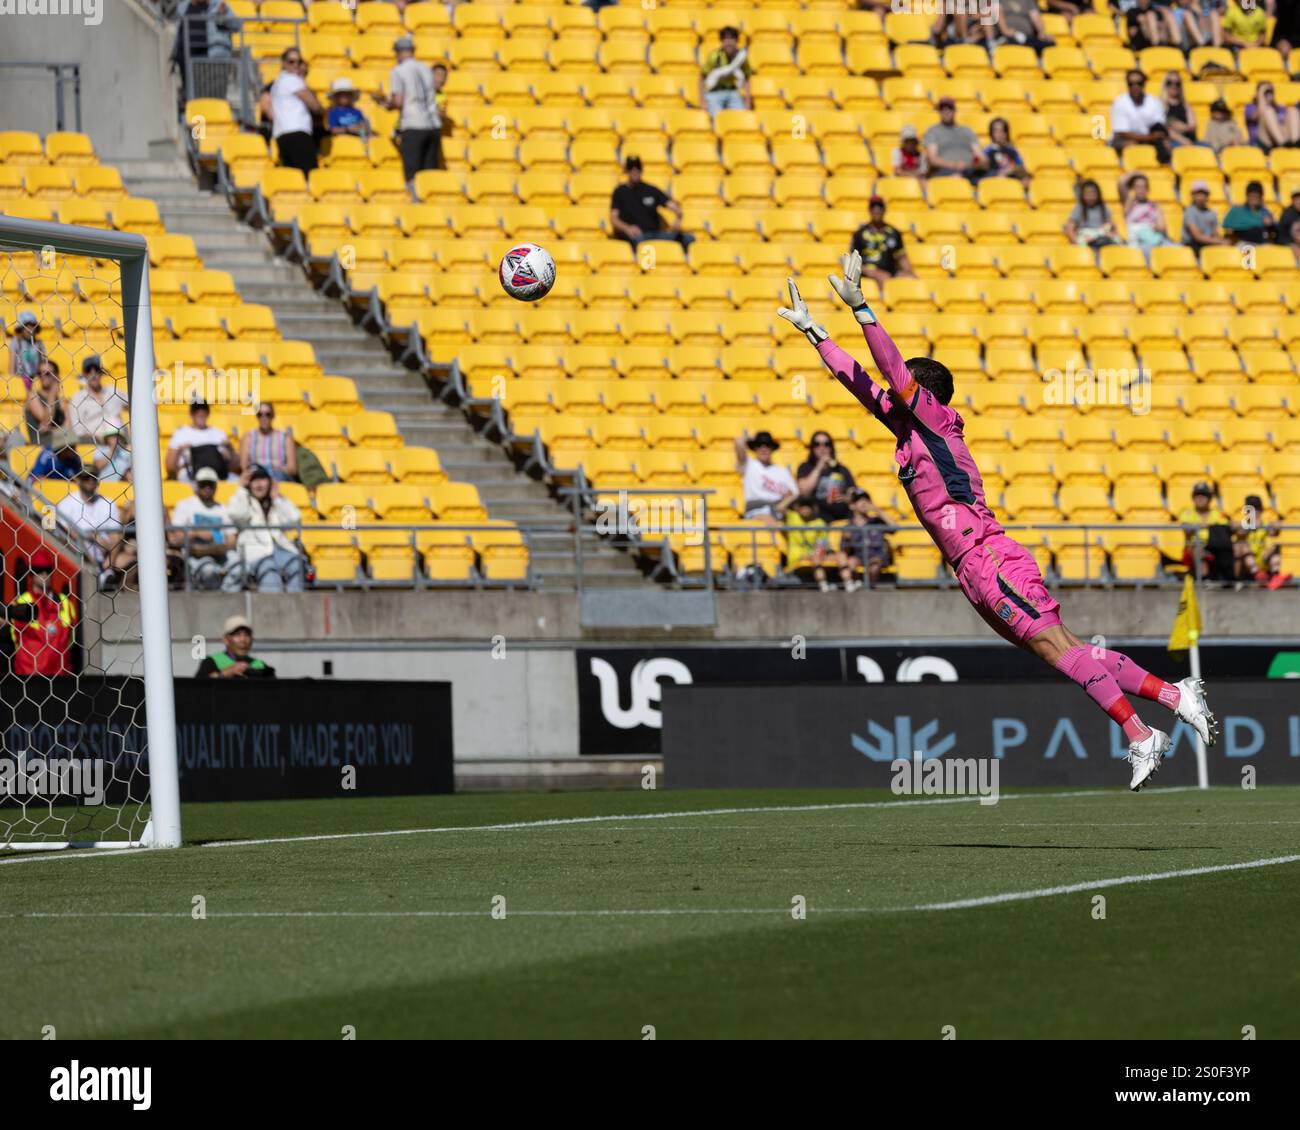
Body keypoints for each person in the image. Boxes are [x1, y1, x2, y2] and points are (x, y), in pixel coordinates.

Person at [776, 252, 1217, 790]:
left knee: (1058, 652)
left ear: (924, 392)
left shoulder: (936, 419)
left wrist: (863, 309)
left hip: (986, 554)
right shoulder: (911, 431)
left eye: (904, 387)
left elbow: (888, 373)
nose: (892, 393)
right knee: (1068, 648)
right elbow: (863, 385)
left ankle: (1140, 735)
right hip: (973, 565)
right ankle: (1176, 696)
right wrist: (816, 332)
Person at [227, 464, 306, 592]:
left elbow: (295, 520)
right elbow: (236, 514)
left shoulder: (277, 501)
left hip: (282, 550)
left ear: (270, 482)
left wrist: (277, 498)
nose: (258, 484)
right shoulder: (242, 500)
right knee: (269, 572)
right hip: (257, 553)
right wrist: (241, 489)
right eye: (254, 480)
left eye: (262, 479)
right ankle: (272, 611)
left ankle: (294, 609)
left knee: (297, 566)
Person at [376, 36, 441, 190]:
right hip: (433, 124)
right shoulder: (426, 68)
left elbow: (398, 101)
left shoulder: (398, 71)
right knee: (429, 173)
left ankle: (415, 204)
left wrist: (385, 103)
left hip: (413, 124)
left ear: (398, 53)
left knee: (412, 172)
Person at [56, 468, 136, 590]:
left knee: (134, 560)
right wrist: (90, 537)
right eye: (86, 478)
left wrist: (108, 559)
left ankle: (106, 572)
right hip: (78, 550)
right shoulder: (66, 503)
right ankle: (101, 573)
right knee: (79, 541)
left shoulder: (107, 502)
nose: (90, 481)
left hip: (106, 552)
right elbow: (64, 531)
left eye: (93, 478)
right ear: (78, 481)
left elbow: (116, 535)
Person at [169, 466, 242, 592]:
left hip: (220, 553)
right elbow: (176, 538)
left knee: (240, 567)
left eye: (211, 484)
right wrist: (199, 534)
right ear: (196, 485)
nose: (207, 487)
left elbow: (231, 541)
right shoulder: (185, 505)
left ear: (216, 486)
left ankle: (226, 596)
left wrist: (217, 541)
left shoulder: (223, 509)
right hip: (195, 555)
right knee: (209, 570)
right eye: (203, 484)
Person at [5, 548, 75, 677]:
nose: (44, 574)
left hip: (61, 676)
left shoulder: (64, 602)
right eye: (38, 570)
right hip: (29, 676)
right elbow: (13, 635)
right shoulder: (21, 602)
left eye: (47, 570)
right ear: (31, 573)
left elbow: (71, 640)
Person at [610, 156, 694, 251]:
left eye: (638, 168)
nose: (634, 171)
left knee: (688, 238)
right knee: (641, 242)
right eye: (631, 168)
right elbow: (614, 218)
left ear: (641, 170)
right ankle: (649, 265)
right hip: (637, 235)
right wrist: (627, 228)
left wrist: (678, 218)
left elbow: (674, 206)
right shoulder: (619, 192)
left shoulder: (651, 190)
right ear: (626, 171)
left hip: (655, 234)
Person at [171, 0, 239, 100]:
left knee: (212, 100)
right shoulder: (183, 7)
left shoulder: (219, 5)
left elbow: (236, 26)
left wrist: (223, 15)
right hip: (187, 63)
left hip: (212, 63)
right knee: (193, 102)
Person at [269, 47, 321, 174]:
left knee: (294, 178)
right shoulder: (292, 80)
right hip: (297, 134)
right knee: (309, 175)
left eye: (299, 61)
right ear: (284, 63)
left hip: (282, 135)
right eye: (291, 61)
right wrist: (325, 111)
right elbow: (315, 105)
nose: (296, 65)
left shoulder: (277, 82)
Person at [849, 196, 916, 292]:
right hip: (868, 273)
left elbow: (901, 257)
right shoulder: (860, 234)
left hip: (890, 272)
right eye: (873, 207)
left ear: (884, 210)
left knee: (910, 279)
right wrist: (871, 272)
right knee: (882, 279)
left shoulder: (893, 232)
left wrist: (910, 273)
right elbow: (852, 261)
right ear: (869, 210)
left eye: (879, 207)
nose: (877, 210)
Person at [166, 398, 238, 482]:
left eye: (203, 410)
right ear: (191, 414)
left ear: (208, 413)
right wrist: (179, 451)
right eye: (196, 411)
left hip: (217, 473)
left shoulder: (219, 434)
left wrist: (230, 450)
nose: (200, 413)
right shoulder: (181, 434)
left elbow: (235, 466)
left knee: (237, 482)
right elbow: (169, 467)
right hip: (191, 475)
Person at [734, 430, 797, 525]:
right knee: (771, 523)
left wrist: (783, 504)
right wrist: (751, 438)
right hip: (756, 512)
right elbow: (738, 442)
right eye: (759, 445)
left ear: (772, 449)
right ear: (754, 448)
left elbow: (795, 493)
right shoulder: (749, 465)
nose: (763, 449)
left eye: (767, 445)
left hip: (778, 513)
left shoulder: (782, 471)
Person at [1176, 481, 1234, 583]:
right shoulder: (1187, 512)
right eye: (1197, 495)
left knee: (1230, 548)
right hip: (1194, 546)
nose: (1200, 498)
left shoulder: (1217, 513)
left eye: (1204, 495)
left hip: (1215, 546)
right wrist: (1202, 526)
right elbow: (1187, 530)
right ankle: (1205, 579)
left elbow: (1225, 528)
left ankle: (1231, 580)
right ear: (1193, 498)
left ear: (1209, 498)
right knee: (1198, 548)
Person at [838, 488, 894, 591]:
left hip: (876, 556)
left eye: (866, 500)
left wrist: (877, 510)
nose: (864, 503)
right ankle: (855, 584)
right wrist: (847, 540)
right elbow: (844, 550)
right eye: (859, 500)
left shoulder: (877, 521)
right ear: (852, 506)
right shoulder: (849, 527)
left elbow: (894, 528)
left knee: (874, 565)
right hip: (858, 557)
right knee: (851, 561)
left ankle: (868, 588)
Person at [795, 431, 857, 522]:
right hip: (818, 517)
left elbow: (853, 491)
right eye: (817, 444)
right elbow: (804, 492)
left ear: (831, 448)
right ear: (812, 448)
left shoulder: (841, 468)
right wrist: (819, 467)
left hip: (843, 515)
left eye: (826, 444)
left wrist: (846, 497)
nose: (822, 448)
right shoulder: (805, 467)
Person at [923, 96, 988, 181]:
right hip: (945, 170)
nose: (946, 112)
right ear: (939, 112)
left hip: (969, 169)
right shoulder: (933, 131)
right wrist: (954, 165)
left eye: (949, 109)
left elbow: (980, 155)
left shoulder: (967, 131)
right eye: (943, 109)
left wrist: (978, 164)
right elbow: (933, 159)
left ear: (954, 111)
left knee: (991, 177)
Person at [1236, 493, 1290, 590]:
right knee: (1243, 546)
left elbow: (1274, 533)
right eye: (1251, 510)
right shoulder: (1243, 523)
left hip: (1262, 559)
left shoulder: (1265, 523)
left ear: (1261, 510)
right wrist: (1251, 525)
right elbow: (1240, 533)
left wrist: (1276, 527)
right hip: (1248, 564)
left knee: (1275, 547)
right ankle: (1258, 575)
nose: (1254, 512)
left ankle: (1274, 576)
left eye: (1257, 509)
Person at [195, 614, 277, 679]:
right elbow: (196, 689)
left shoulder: (260, 665)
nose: (243, 639)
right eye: (237, 634)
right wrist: (224, 674)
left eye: (247, 634)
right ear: (226, 639)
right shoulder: (211, 662)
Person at [69, 355, 128, 443]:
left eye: (96, 370)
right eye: (89, 371)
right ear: (84, 374)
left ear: (101, 373)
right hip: (95, 446)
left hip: (121, 443)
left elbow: (135, 405)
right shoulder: (78, 398)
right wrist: (100, 439)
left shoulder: (113, 391)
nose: (93, 375)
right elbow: (78, 432)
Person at [784, 495, 835, 591]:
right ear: (798, 508)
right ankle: (823, 584)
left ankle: (825, 585)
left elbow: (822, 543)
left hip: (814, 556)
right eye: (802, 506)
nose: (805, 509)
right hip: (796, 557)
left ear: (813, 509)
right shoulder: (793, 517)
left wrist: (818, 553)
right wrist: (794, 495)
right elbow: (779, 509)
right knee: (815, 558)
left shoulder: (819, 523)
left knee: (832, 557)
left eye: (808, 506)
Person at [700, 26, 752, 115]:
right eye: (725, 39)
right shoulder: (715, 57)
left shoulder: (741, 58)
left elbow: (747, 78)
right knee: (716, 117)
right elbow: (701, 77)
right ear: (722, 41)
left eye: (731, 39)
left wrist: (747, 102)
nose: (728, 43)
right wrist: (702, 101)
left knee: (742, 116)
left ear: (736, 41)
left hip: (732, 91)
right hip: (714, 92)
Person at [1119, 171, 1175, 256]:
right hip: (1137, 242)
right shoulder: (1129, 204)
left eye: (1144, 187)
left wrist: (1151, 228)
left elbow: (1162, 227)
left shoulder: (1154, 206)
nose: (1141, 190)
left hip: (1154, 237)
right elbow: (1121, 182)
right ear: (1133, 189)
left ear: (1148, 189)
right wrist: (1137, 174)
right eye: (1138, 186)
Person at [240, 402, 297, 482]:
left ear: (273, 416)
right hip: (256, 475)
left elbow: (293, 469)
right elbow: (244, 465)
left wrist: (274, 468)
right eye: (260, 414)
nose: (263, 417)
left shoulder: (285, 437)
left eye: (267, 414)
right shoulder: (248, 437)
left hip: (279, 476)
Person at [1110, 70, 1166, 151]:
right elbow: (1122, 132)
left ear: (1144, 83)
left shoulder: (1154, 102)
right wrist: (1150, 137)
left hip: (1148, 138)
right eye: (1131, 84)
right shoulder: (1120, 102)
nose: (1135, 86)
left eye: (1139, 83)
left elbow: (1159, 124)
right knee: (1132, 145)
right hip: (1123, 139)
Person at [24, 360, 70, 446]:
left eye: (47, 373)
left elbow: (68, 427)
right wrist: (52, 393)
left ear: (56, 376)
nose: (42, 376)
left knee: (81, 439)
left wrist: (51, 430)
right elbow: (46, 421)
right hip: (41, 442)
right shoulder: (32, 396)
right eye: (39, 373)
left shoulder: (61, 400)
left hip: (61, 439)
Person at [1244, 82, 1300, 150]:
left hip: (1286, 140)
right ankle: (1282, 144)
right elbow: (1260, 114)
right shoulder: (1250, 107)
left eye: (1270, 92)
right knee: (1268, 112)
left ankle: (1296, 144)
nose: (1268, 95)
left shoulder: (1280, 108)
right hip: (1263, 143)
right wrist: (1261, 93)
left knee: (1293, 110)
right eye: (1266, 92)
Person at [1064, 179, 1119, 248]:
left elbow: (1113, 227)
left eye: (1093, 193)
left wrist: (1113, 236)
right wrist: (1076, 243)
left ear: (1098, 194)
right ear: (1082, 195)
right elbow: (1070, 229)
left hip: (1102, 238)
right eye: (1087, 193)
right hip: (1085, 240)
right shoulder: (1079, 208)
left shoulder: (1104, 208)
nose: (1090, 196)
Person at [1222, 180, 1277, 244]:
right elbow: (1226, 224)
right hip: (1244, 244)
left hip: (1263, 245)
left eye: (1257, 197)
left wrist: (1271, 223)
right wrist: (1259, 222)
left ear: (1261, 197)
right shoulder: (1237, 210)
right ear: (1247, 196)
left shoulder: (1264, 211)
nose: (1254, 199)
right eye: (1252, 196)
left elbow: (1276, 227)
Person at [1182, 180, 1228, 253]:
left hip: (1207, 244)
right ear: (1193, 195)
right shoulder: (1189, 212)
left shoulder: (1211, 213)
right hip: (1192, 246)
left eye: (1203, 194)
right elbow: (1197, 236)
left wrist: (1220, 241)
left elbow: (1215, 233)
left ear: (1207, 195)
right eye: (1198, 194)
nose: (1200, 197)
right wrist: (1219, 242)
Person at [1160, 73, 1199, 148]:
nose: (1174, 86)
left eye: (1177, 83)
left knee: (1209, 148)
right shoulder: (1160, 105)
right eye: (1169, 83)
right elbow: (1161, 129)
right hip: (1172, 142)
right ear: (1165, 85)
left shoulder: (1186, 105)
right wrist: (1182, 139)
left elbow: (1192, 126)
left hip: (1190, 141)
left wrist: (1184, 127)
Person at [7, 311, 46, 387]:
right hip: (19, 380)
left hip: (36, 380)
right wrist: (12, 382)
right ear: (20, 329)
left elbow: (43, 364)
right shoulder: (16, 342)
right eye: (26, 327)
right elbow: (11, 367)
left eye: (32, 327)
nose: (29, 330)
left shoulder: (39, 344)